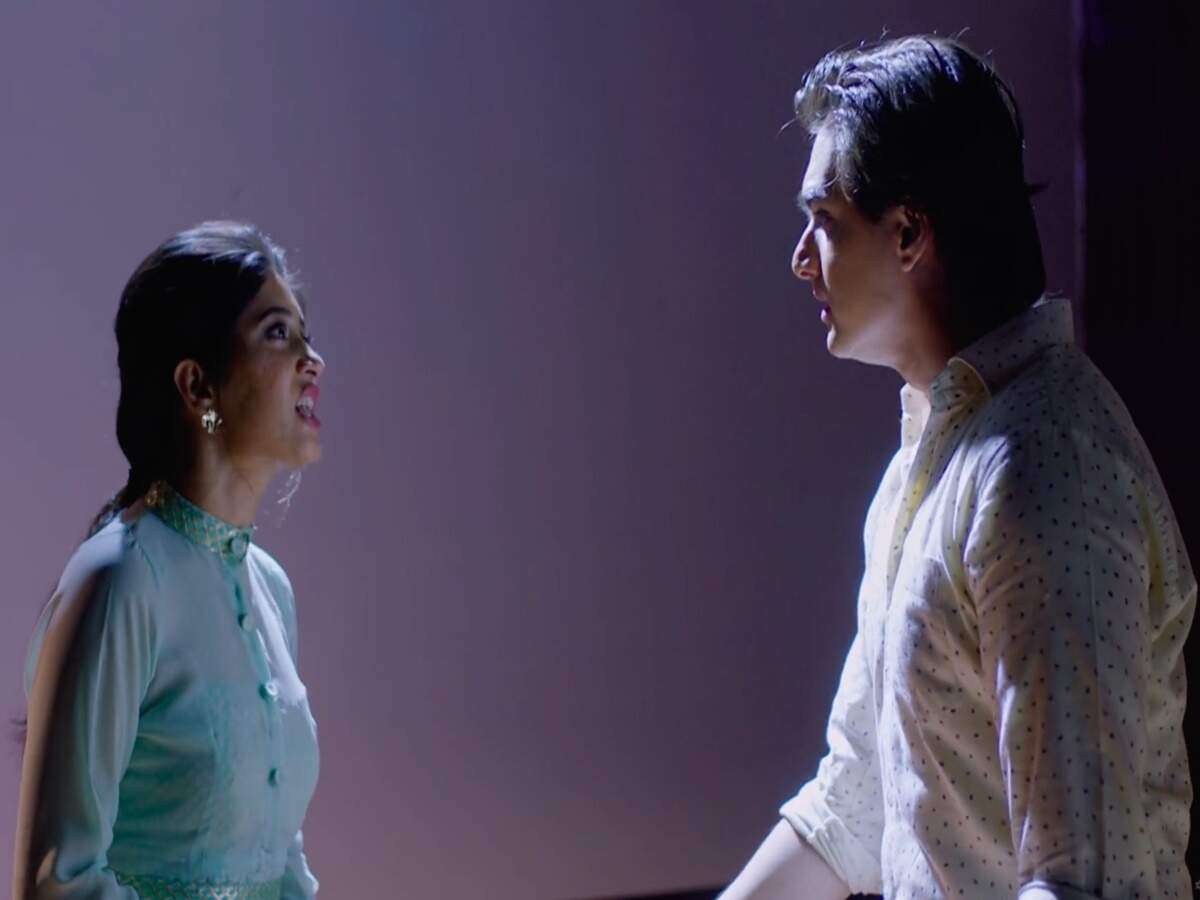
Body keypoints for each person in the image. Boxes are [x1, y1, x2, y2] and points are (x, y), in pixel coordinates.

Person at [721, 36, 1194, 900]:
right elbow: (855, 801)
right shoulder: (923, 471)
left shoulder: (1044, 467)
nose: (800, 257)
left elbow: (1082, 883)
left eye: (824, 220)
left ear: (908, 232)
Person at [13, 221, 326, 899]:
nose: (313, 361)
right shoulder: (119, 580)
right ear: (197, 387)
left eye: (306, 335)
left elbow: (280, 864)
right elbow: (56, 885)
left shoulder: (271, 588)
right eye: (279, 333)